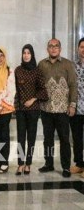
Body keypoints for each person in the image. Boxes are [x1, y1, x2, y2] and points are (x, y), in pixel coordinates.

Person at [38, 38, 77, 178]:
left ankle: (66, 167)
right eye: (51, 46)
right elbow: (38, 86)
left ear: (60, 49)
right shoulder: (42, 64)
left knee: (64, 139)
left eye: (56, 46)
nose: (53, 48)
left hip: (62, 110)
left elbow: (73, 85)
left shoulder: (67, 64)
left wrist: (72, 105)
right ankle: (49, 164)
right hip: (46, 109)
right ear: (47, 49)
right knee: (47, 139)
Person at [14, 44, 48, 175]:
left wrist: (33, 99)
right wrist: (16, 106)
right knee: (21, 137)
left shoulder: (37, 71)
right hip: (21, 110)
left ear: (32, 55)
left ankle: (28, 163)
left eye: (28, 53)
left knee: (31, 137)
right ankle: (20, 163)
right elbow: (16, 90)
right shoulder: (18, 70)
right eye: (24, 53)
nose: (26, 55)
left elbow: (43, 91)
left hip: (33, 110)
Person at [72, 37, 84, 176]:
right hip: (76, 108)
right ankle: (79, 163)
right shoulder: (73, 66)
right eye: (81, 47)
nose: (83, 50)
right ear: (78, 49)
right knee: (77, 137)